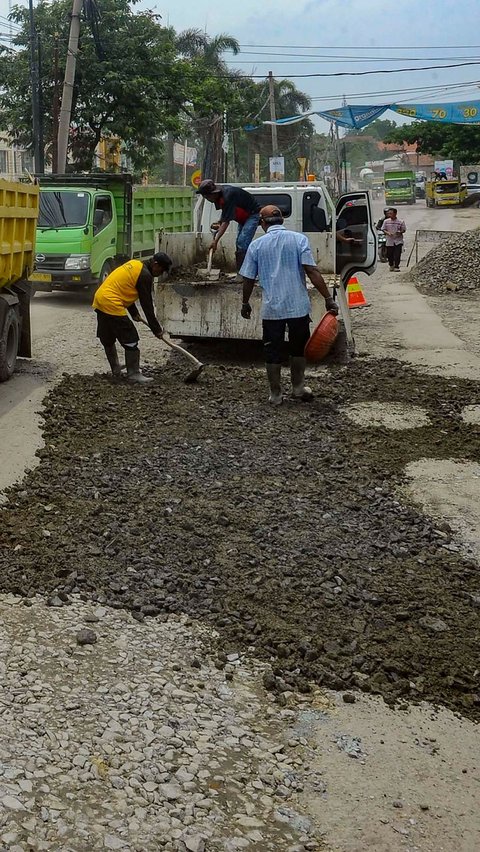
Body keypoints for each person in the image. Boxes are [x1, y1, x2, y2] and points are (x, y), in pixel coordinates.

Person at [240, 205, 338, 406]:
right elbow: (312, 271)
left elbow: (248, 278)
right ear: (282, 220)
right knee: (298, 348)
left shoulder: (256, 246)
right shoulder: (299, 239)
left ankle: (275, 395)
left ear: (262, 223)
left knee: (272, 350)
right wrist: (328, 298)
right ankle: (298, 388)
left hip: (272, 309)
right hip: (298, 307)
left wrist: (245, 302)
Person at [92, 252, 172, 384]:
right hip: (111, 302)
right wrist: (156, 329)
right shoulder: (145, 275)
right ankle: (133, 374)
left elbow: (125, 289)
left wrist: (134, 312)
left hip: (101, 298)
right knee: (131, 337)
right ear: (155, 264)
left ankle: (116, 369)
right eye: (162, 270)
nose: (161, 273)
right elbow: (147, 306)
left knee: (108, 337)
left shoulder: (135, 264)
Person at [195, 179, 260, 274]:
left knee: (242, 243)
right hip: (242, 219)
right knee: (239, 243)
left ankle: (245, 273)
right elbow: (226, 214)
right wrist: (220, 222)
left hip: (252, 215)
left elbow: (226, 222)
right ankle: (242, 271)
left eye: (207, 197)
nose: (207, 199)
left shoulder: (228, 195)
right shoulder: (220, 197)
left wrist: (215, 241)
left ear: (213, 194)